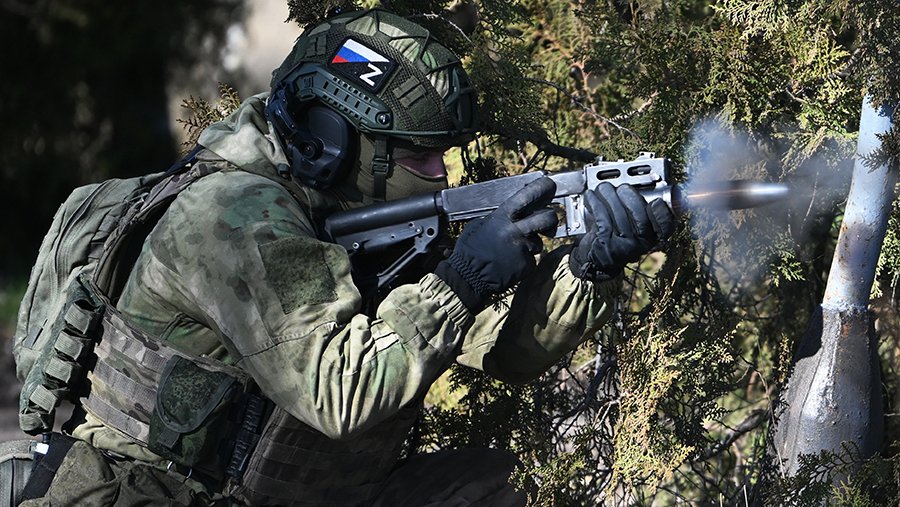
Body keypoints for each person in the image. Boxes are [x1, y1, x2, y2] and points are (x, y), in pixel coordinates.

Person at [16, 7, 674, 506]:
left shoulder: (355, 214)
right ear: (334, 142)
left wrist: (586, 267)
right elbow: (339, 393)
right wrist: (462, 279)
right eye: (421, 156)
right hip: (158, 492)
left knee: (493, 484)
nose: (442, 174)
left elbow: (504, 351)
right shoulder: (233, 216)